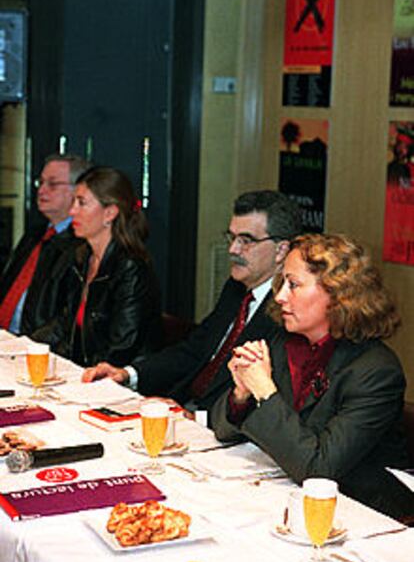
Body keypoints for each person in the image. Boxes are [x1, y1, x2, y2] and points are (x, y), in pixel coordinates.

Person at [211, 233, 414, 520]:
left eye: (293, 285)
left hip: (363, 515)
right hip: (290, 494)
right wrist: (242, 395)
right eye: (282, 283)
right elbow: (221, 428)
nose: (280, 296)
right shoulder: (285, 342)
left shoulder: (376, 372)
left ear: (338, 295)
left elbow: (319, 469)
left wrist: (266, 392)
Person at [83, 190, 303, 412]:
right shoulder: (236, 288)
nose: (232, 249)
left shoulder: (289, 309)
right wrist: (127, 374)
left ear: (281, 250)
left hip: (223, 425)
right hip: (182, 403)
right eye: (232, 237)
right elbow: (194, 350)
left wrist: (197, 418)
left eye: (246, 241)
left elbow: (264, 399)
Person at [31, 166, 162, 368]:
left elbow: (121, 349)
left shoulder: (131, 268)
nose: (72, 210)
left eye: (81, 203)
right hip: (84, 373)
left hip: (117, 383)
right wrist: (27, 348)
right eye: (74, 201)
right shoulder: (82, 257)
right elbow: (65, 324)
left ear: (109, 213)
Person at [0, 153, 90, 335]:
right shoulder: (34, 235)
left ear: (78, 190)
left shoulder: (83, 246)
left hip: (37, 347)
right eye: (40, 182)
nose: (41, 190)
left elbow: (68, 320)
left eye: (53, 184)